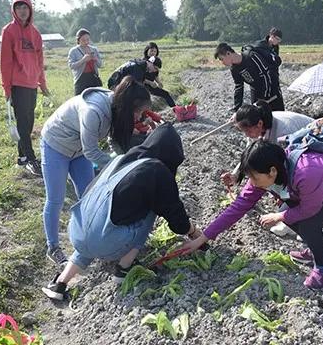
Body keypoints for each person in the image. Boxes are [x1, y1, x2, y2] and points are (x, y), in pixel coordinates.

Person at [183, 140, 323, 289]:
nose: (252, 182)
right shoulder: (266, 172)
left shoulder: (306, 172)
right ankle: (315, 248)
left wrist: (278, 217)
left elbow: (310, 209)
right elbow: (239, 206)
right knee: (289, 213)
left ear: (272, 171)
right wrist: (202, 238)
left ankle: (322, 268)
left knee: (306, 222)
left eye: (254, 177)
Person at [42, 124, 203, 300]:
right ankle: (124, 268)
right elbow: (176, 219)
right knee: (154, 206)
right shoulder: (157, 171)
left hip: (77, 231)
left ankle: (60, 284)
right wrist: (195, 233)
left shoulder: (121, 160)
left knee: (94, 223)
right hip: (106, 242)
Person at [40, 77, 151, 266]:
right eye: (138, 112)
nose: (138, 117)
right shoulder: (93, 111)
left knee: (89, 196)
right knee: (56, 198)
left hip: (79, 150)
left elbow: (112, 140)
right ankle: (53, 247)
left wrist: (123, 160)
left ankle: (88, 241)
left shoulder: (116, 108)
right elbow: (92, 151)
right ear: (129, 106)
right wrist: (115, 163)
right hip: (56, 145)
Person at [221, 101, 313, 237]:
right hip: (297, 154)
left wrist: (282, 192)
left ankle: (301, 224)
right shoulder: (259, 126)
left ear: (259, 124)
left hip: (310, 151)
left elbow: (290, 165)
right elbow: (251, 152)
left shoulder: (283, 131)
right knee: (277, 184)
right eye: (243, 131)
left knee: (295, 186)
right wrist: (235, 175)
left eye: (248, 130)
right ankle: (294, 221)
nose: (246, 135)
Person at [0, 0, 50, 176]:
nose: (22, 11)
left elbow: (39, 60)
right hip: (17, 84)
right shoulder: (9, 31)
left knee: (28, 122)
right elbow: (5, 61)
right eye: (19, 8)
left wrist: (42, 83)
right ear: (14, 11)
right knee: (23, 122)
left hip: (31, 84)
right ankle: (30, 158)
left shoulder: (35, 33)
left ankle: (21, 158)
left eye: (25, 8)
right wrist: (6, 87)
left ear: (30, 11)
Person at [214, 42, 285, 113]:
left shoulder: (251, 56)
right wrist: (237, 108)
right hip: (256, 90)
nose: (222, 62)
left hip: (272, 88)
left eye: (222, 59)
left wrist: (265, 97)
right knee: (257, 116)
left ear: (228, 53)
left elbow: (266, 75)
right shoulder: (234, 69)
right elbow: (239, 87)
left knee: (279, 114)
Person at [67, 28, 103, 95]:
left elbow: (100, 65)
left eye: (88, 39)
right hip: (81, 79)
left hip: (93, 78)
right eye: (83, 40)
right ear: (78, 40)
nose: (86, 42)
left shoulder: (94, 49)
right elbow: (71, 66)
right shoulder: (73, 51)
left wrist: (95, 59)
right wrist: (83, 60)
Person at [142, 43, 176, 107]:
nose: (153, 53)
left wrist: (159, 82)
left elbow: (155, 75)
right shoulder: (142, 63)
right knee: (145, 101)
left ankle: (176, 109)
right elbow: (139, 78)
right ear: (147, 51)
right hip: (141, 85)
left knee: (165, 94)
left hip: (151, 85)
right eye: (151, 51)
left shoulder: (156, 60)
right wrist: (150, 82)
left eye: (155, 51)